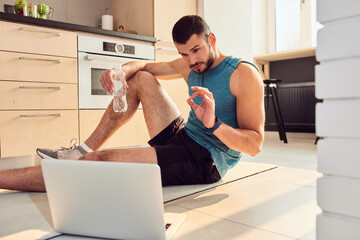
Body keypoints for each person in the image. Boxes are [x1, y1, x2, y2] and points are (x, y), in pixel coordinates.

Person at [0, 15, 264, 192]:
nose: (191, 60)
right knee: (141, 78)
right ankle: (80, 149)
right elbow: (145, 65)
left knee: (99, 162)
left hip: (207, 159)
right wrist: (120, 71)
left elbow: (254, 145)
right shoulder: (190, 65)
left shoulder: (242, 74)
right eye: (184, 53)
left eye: (196, 50)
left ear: (212, 40)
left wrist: (214, 124)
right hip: (185, 136)